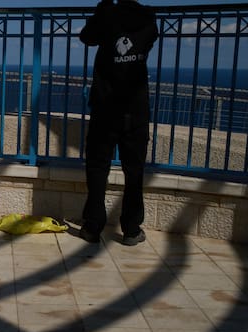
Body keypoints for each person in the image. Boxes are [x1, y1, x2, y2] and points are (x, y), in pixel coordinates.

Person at [78, 0, 159, 245]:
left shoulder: (107, 16)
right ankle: (132, 229)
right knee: (134, 171)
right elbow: (150, 38)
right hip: (136, 110)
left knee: (97, 167)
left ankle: (93, 226)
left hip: (105, 108)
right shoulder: (148, 20)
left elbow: (86, 37)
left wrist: (102, 8)